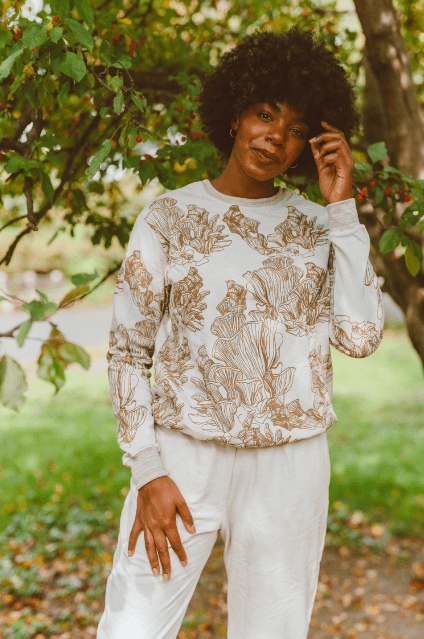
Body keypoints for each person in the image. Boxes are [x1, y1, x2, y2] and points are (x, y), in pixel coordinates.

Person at [97, 25, 384, 639]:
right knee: (131, 629)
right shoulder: (169, 217)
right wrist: (147, 470)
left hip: (290, 464)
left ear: (310, 144)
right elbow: (127, 353)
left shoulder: (319, 227)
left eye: (297, 128)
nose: (276, 136)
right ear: (234, 116)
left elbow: (360, 337)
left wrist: (342, 210)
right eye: (265, 114)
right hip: (183, 458)